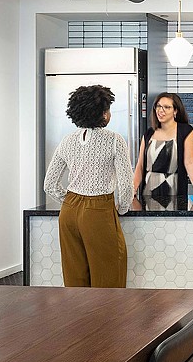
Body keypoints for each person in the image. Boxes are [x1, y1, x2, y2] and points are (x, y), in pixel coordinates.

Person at [43, 85, 135, 287]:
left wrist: (69, 201)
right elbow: (126, 185)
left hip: (68, 213)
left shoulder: (67, 140)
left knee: (75, 279)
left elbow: (49, 184)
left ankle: (79, 319)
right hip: (98, 211)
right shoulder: (114, 140)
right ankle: (106, 320)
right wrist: (124, 207)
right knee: (109, 276)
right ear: (103, 114)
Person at [133, 92, 193, 205]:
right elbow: (140, 165)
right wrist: (132, 189)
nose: (161, 110)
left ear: (175, 111)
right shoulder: (149, 133)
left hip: (175, 192)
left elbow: (190, 162)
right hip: (148, 193)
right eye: (158, 106)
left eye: (167, 107)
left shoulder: (186, 131)